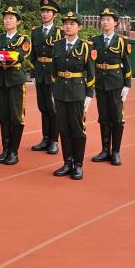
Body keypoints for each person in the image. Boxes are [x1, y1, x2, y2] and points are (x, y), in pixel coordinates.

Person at [51, 11, 96, 180]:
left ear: (79, 27)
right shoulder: (57, 45)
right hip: (60, 92)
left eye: (72, 24)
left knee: (77, 130)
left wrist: (89, 95)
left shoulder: (86, 47)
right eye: (66, 23)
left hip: (78, 93)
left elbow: (91, 73)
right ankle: (67, 162)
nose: (68, 26)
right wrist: (54, 91)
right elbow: (53, 71)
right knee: (63, 129)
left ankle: (78, 165)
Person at [0, 6, 31, 165]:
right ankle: (5, 149)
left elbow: (20, 55)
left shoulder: (23, 39)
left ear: (18, 22)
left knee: (16, 116)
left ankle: (14, 151)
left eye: (11, 18)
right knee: (3, 116)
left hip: (15, 80)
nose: (7, 20)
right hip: (1, 79)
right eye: (5, 18)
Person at [90, 7, 131, 166]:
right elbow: (91, 64)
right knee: (104, 117)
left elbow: (127, 64)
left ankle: (116, 152)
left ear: (115, 23)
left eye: (108, 19)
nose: (105, 22)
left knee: (117, 118)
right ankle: (105, 150)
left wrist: (127, 85)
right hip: (100, 83)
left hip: (116, 83)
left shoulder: (122, 41)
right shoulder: (95, 41)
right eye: (103, 19)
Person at [29, 0, 61, 155]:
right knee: (43, 107)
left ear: (54, 15)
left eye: (48, 11)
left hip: (53, 74)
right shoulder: (35, 32)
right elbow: (32, 55)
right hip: (40, 73)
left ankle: (54, 140)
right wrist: (32, 73)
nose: (44, 14)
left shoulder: (60, 32)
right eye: (43, 11)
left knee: (53, 108)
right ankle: (45, 138)